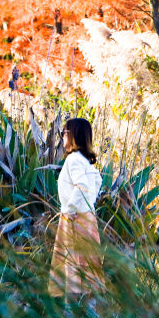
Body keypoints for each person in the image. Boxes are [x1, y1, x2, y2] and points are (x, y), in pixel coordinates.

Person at [49, 117, 105, 297]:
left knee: (72, 263)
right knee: (87, 262)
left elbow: (81, 185)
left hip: (74, 218)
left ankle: (71, 314)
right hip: (87, 217)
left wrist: (70, 208)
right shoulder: (85, 160)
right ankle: (90, 308)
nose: (62, 137)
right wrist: (89, 204)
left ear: (72, 135)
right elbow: (96, 181)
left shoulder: (73, 159)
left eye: (64, 132)